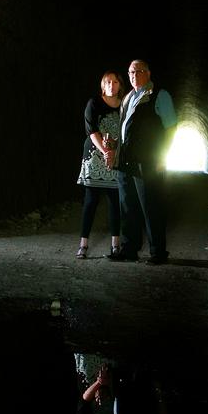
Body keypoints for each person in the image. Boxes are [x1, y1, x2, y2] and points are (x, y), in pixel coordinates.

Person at [108, 59, 177, 265]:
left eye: (138, 71)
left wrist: (163, 157)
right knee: (127, 205)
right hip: (126, 160)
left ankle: (158, 252)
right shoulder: (128, 97)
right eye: (130, 72)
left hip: (147, 160)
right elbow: (126, 131)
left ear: (148, 73)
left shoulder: (159, 95)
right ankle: (129, 249)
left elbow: (171, 127)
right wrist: (114, 144)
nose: (133, 75)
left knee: (151, 205)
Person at [76, 70, 126, 259]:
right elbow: (91, 129)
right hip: (94, 156)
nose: (111, 85)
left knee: (115, 202)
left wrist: (114, 149)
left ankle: (115, 245)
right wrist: (105, 151)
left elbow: (126, 131)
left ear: (120, 85)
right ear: (102, 86)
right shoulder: (94, 103)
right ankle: (83, 244)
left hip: (116, 156)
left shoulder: (125, 105)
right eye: (107, 82)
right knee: (90, 201)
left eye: (114, 82)